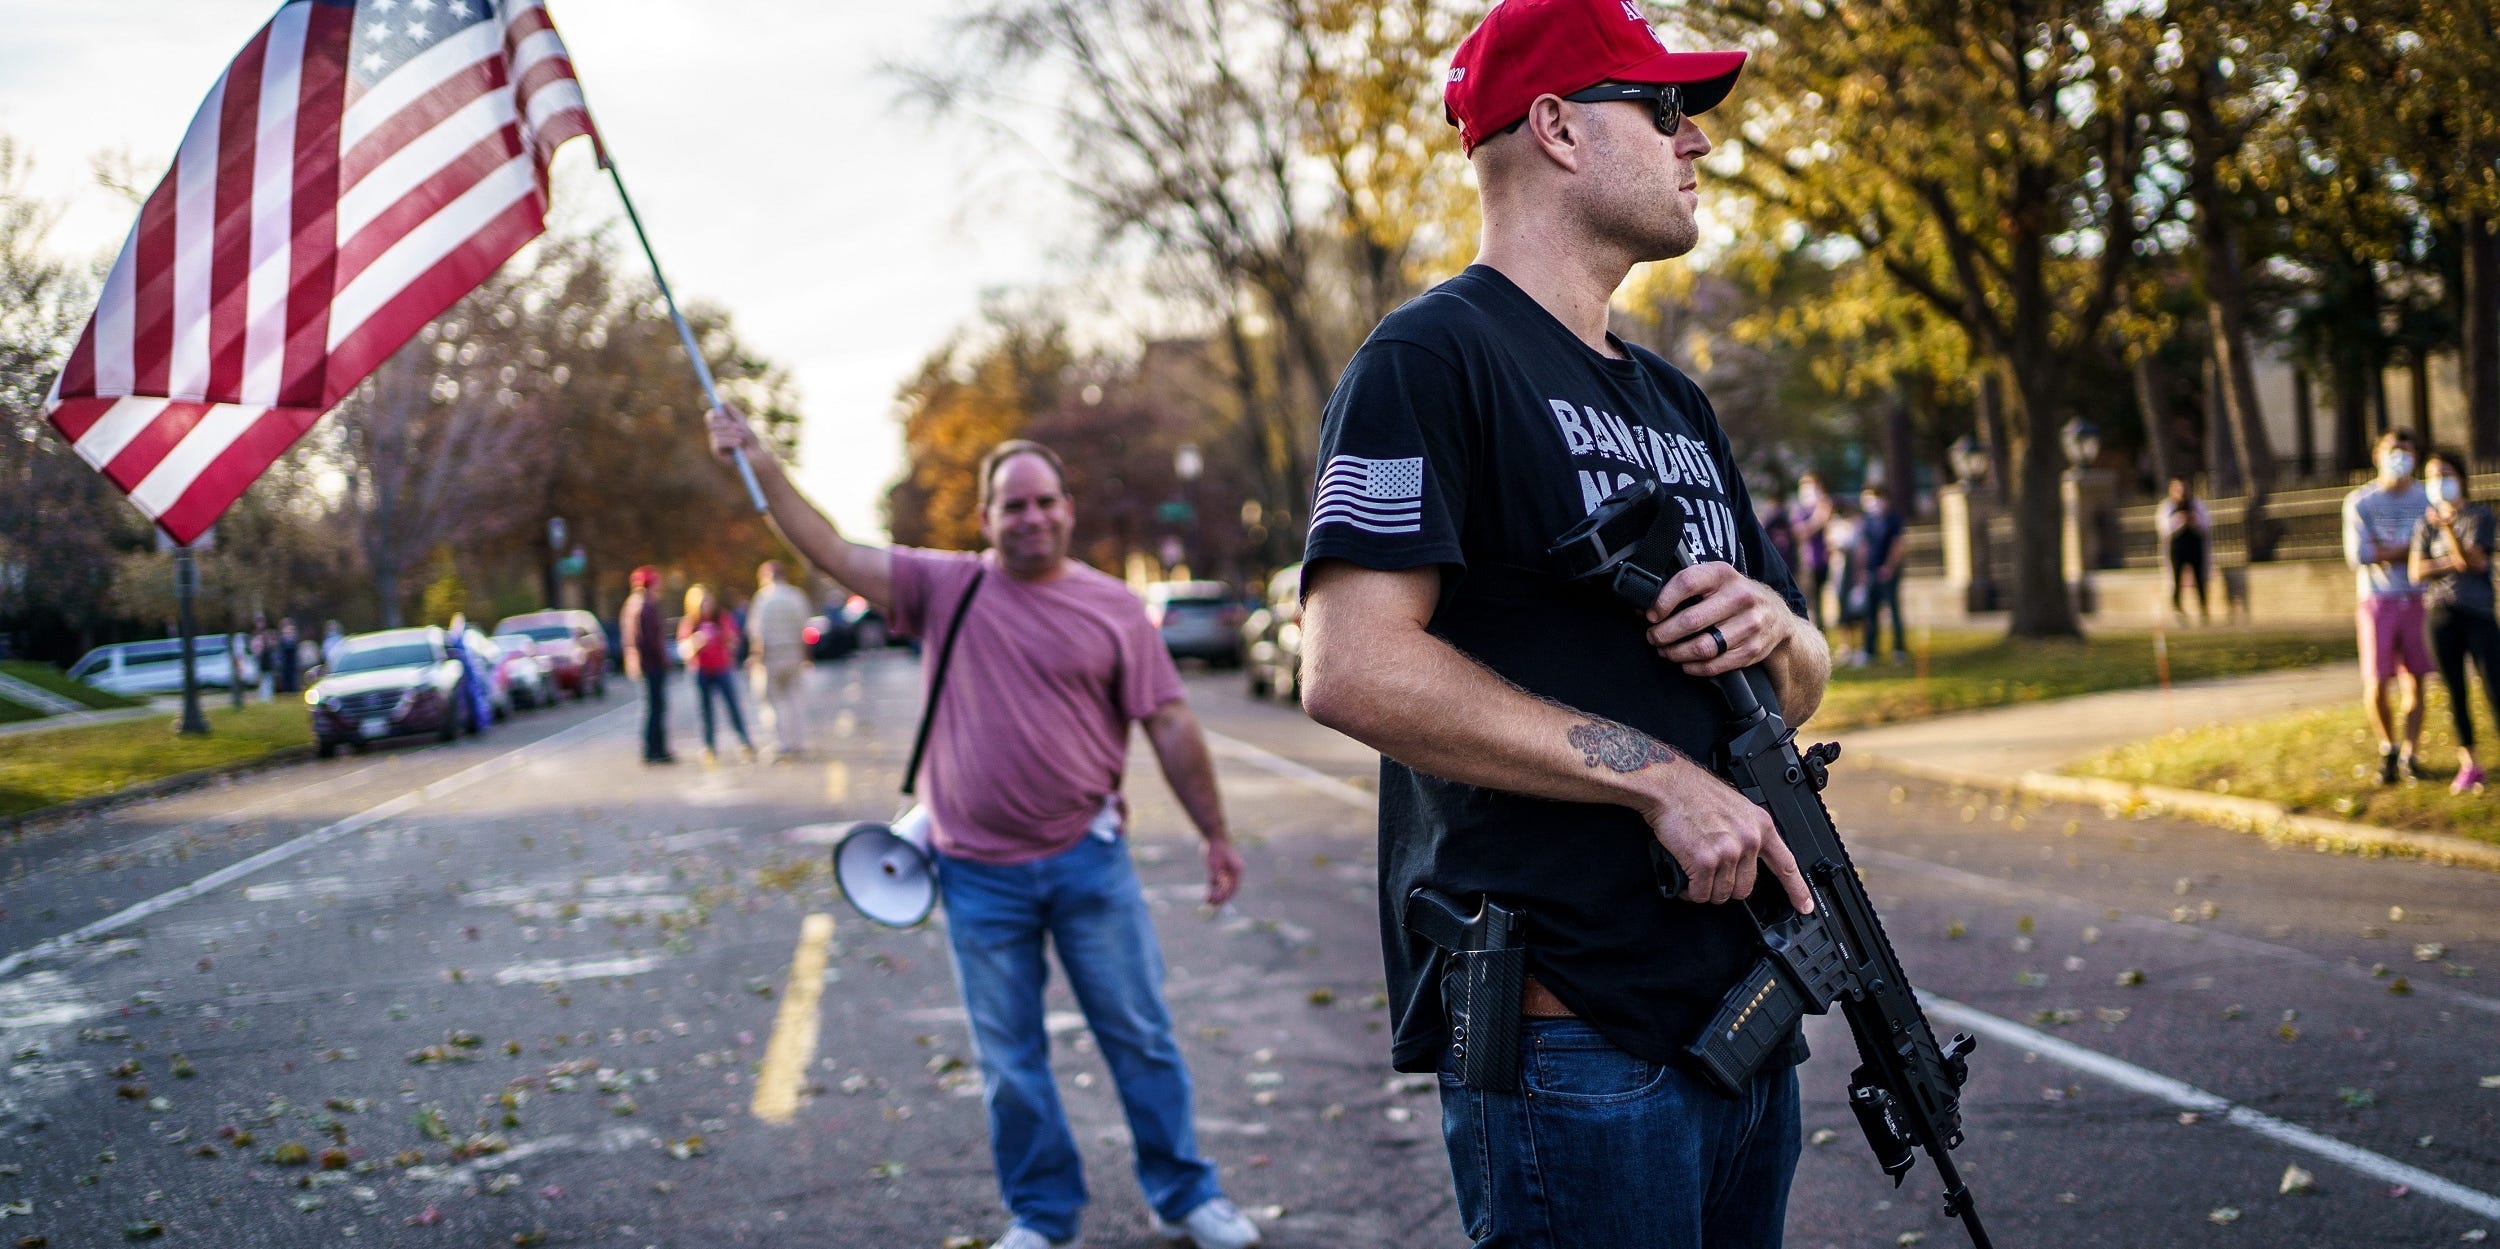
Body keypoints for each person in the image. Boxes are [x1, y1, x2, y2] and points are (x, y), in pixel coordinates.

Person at [1292, 5, 1827, 1244]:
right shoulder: (1427, 359)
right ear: (1557, 129)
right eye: (1663, 108)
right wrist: (1656, 781)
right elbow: (1352, 666)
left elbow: (1791, 681)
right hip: (1573, 1037)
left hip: (1743, 1005)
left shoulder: (1675, 400)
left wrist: (1783, 629)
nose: (1694, 142)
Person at [703, 411, 1261, 1249]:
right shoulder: (943, 586)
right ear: (985, 517)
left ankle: (1182, 1193)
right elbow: (830, 546)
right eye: (1012, 506)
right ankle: (1043, 1215)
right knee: (1011, 1065)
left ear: (1066, 508)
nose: (1030, 518)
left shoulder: (1113, 608)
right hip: (975, 873)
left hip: (1088, 862)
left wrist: (1214, 834)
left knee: (1141, 1037)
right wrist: (761, 460)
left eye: (1044, 502)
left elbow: (1171, 725)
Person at [2346, 428, 2435, 785]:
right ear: (2377, 455)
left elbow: (2433, 551)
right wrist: (2410, 552)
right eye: (2392, 449)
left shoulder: (2426, 499)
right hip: (2377, 601)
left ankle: (2411, 753)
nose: (2399, 456)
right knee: (2377, 680)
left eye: (2406, 449)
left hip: (2418, 599)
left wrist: (2388, 551)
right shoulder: (2361, 502)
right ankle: (2388, 748)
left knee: (2416, 679)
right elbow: (2360, 554)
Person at [2410, 451, 2499, 792]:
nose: (2438, 482)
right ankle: (2470, 763)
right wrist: (2452, 559)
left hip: (2477, 613)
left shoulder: (2479, 515)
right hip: (2440, 614)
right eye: (2431, 475)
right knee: (2455, 691)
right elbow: (2416, 571)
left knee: (2495, 686)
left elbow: (2471, 562)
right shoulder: (2423, 523)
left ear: (2461, 477)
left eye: (2445, 474)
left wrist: (2447, 533)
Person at [677, 585, 756, 766]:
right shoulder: (690, 622)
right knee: (705, 711)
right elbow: (682, 650)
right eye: (702, 602)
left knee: (733, 707)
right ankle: (709, 747)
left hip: (722, 668)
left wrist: (727, 642)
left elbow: (734, 640)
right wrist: (696, 643)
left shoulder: (721, 617)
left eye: (708, 601)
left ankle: (745, 743)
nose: (706, 605)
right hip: (701, 670)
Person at [745, 561, 813, 759]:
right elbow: (806, 628)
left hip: (771, 656)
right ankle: (799, 741)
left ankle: (783, 742)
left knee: (774, 700)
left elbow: (758, 632)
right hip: (794, 653)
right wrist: (806, 654)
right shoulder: (796, 596)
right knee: (795, 699)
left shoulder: (763, 599)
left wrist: (756, 657)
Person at [621, 567, 675, 765]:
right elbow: (649, 640)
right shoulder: (645, 607)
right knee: (655, 708)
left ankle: (655, 749)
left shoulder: (633, 605)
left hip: (643, 665)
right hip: (651, 666)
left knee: (652, 707)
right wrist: (663, 659)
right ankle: (655, 750)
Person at [1855, 482, 1907, 666]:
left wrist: (1889, 567)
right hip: (1870, 572)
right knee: (1869, 613)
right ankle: (1870, 650)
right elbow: (1863, 547)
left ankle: (1899, 649)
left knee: (1893, 611)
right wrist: (1861, 571)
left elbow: (1897, 545)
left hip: (1887, 574)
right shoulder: (1867, 521)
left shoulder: (1893, 519)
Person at [2157, 476, 2213, 625]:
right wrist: (2179, 520)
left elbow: (2206, 524)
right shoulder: (2167, 507)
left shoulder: (2196, 505)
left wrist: (2194, 521)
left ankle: (2203, 606)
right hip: (2177, 548)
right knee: (2176, 578)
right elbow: (2163, 528)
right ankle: (2178, 608)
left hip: (2194, 546)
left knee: (2200, 577)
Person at [1789, 472, 1833, 627]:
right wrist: (1817, 519)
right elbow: (1800, 532)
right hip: (1807, 563)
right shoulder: (1799, 510)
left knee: (1822, 603)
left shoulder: (1824, 504)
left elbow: (1828, 526)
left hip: (1824, 561)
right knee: (1810, 603)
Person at [445, 613, 491, 730]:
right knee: (470, 698)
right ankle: (476, 723)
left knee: (474, 697)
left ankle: (478, 723)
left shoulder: (463, 637)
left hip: (468, 673)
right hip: (462, 673)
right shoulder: (455, 638)